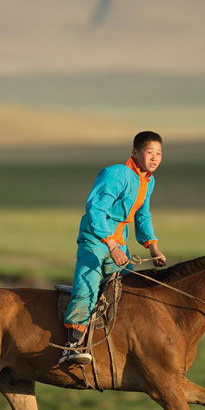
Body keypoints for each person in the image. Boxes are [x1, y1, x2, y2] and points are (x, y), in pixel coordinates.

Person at [60, 131, 167, 365]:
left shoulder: (148, 180)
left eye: (159, 153)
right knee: (86, 287)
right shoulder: (116, 174)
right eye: (149, 152)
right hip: (95, 239)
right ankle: (72, 346)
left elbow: (142, 215)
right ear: (135, 153)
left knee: (130, 290)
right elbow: (95, 209)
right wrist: (110, 245)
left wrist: (153, 247)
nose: (155, 158)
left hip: (119, 242)